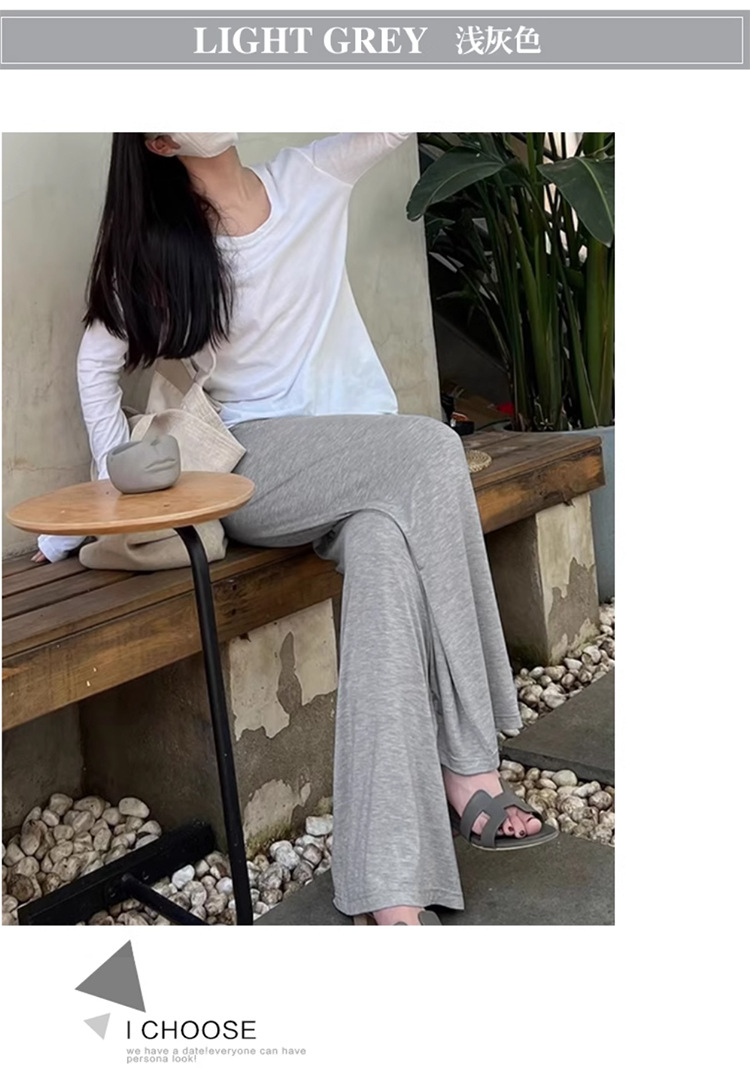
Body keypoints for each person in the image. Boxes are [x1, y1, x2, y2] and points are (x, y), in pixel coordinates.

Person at [34, 132, 556, 926]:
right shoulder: (167, 242)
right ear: (160, 140)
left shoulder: (309, 178)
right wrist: (115, 486)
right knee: (434, 448)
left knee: (384, 545)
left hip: (366, 458)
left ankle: (391, 886)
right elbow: (94, 361)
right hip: (260, 466)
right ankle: (473, 765)